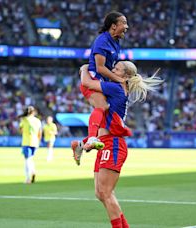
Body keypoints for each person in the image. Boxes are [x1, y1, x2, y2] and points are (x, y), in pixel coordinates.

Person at [73, 61, 163, 228]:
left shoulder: (115, 88)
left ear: (125, 76)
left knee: (106, 193)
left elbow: (86, 83)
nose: (112, 70)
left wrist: (85, 68)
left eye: (116, 69)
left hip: (113, 144)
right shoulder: (117, 88)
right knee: (101, 194)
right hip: (105, 143)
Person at [80, 11, 129, 150]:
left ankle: (79, 145)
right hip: (93, 77)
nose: (127, 26)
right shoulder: (102, 41)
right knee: (102, 107)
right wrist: (119, 79)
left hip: (102, 80)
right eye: (124, 23)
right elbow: (100, 68)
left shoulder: (116, 42)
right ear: (113, 26)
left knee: (105, 113)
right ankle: (90, 139)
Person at [19, 106, 42, 184]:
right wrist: (38, 141)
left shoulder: (24, 120)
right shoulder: (38, 121)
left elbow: (21, 130)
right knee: (31, 158)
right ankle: (33, 171)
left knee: (27, 160)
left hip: (26, 141)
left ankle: (28, 178)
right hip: (35, 142)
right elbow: (40, 133)